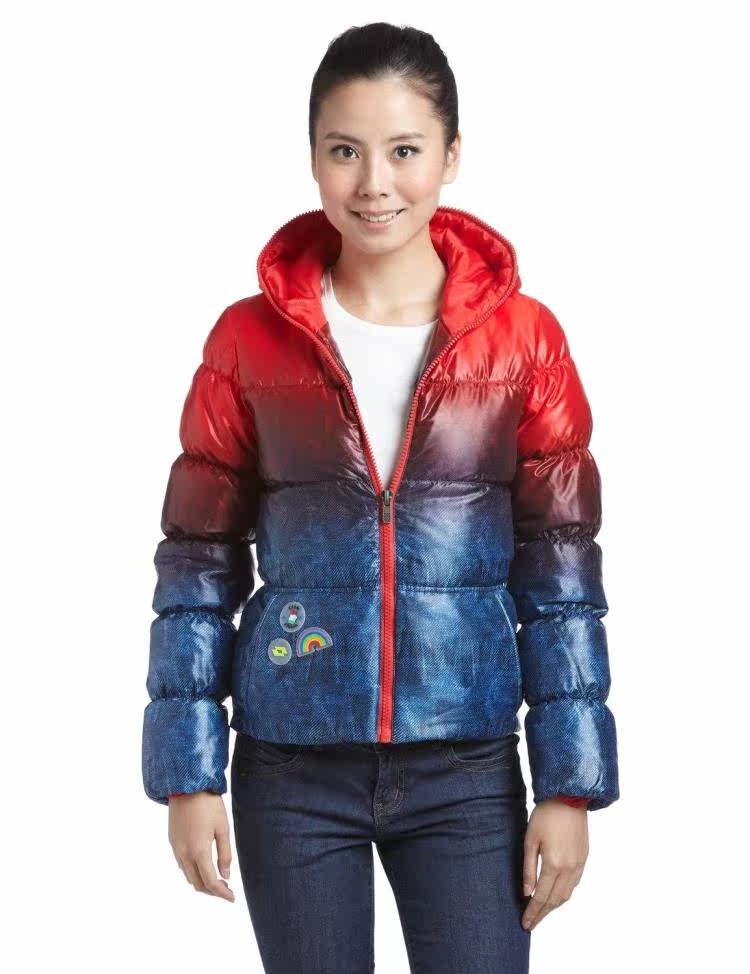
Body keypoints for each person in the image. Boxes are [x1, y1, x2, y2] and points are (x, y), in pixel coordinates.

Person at [142, 21, 619, 974]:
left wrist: (568, 785)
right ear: (313, 157)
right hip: (291, 764)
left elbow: (560, 572)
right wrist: (188, 772)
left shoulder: (524, 341)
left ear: (451, 155)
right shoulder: (247, 342)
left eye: (404, 151)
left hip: (467, 765)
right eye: (345, 151)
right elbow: (197, 561)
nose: (374, 184)